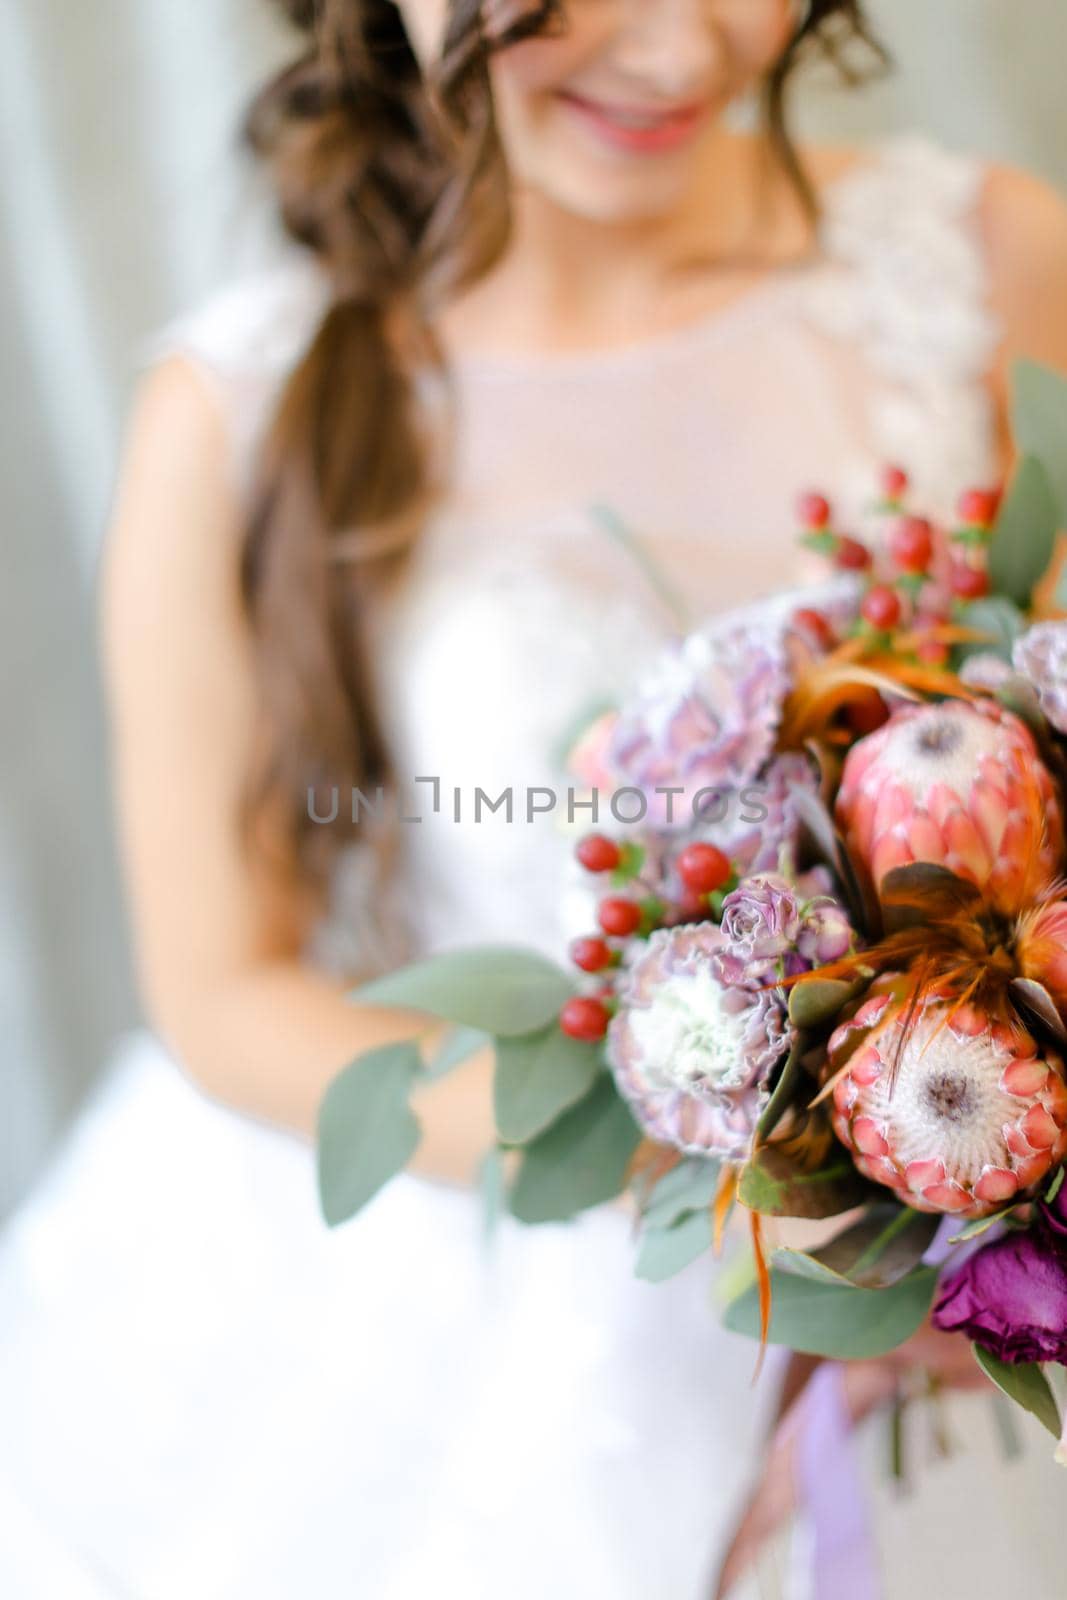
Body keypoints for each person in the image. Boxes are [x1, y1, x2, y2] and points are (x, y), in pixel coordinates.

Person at [3, 1, 1067, 1595]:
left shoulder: (992, 262)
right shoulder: (239, 416)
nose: (675, 52)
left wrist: (974, 1183)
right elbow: (223, 986)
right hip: (475, 1264)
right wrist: (735, 1194)